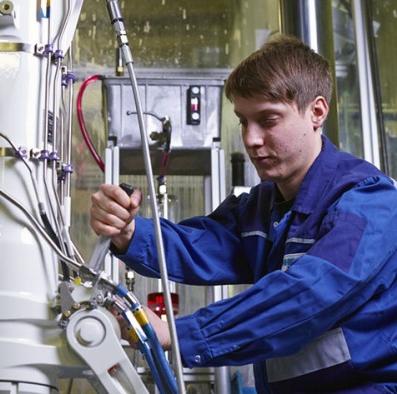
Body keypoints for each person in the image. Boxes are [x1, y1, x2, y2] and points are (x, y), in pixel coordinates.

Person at [89, 34, 397, 393]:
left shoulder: (370, 200)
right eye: (243, 121)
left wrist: (179, 333)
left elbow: (308, 294)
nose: (250, 139)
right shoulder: (262, 208)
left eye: (268, 121)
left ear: (317, 112)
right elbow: (200, 245)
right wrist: (126, 231)